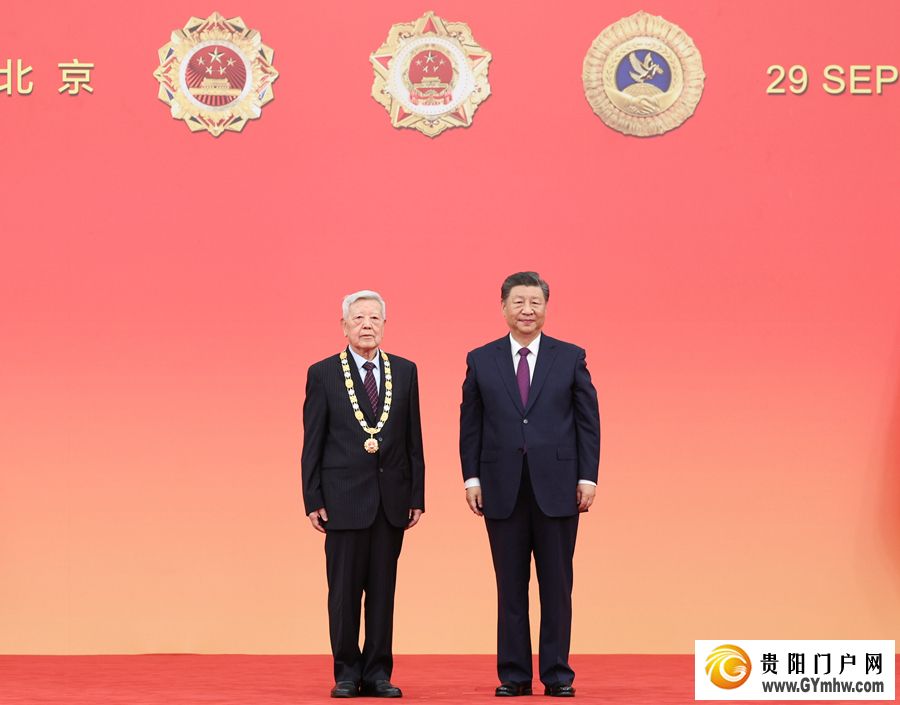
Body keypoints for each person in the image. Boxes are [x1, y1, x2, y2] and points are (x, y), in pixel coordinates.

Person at [459, 272, 600, 698]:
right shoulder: (481, 359)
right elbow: (471, 425)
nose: (527, 310)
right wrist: (472, 478)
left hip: (559, 488)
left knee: (557, 586)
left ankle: (557, 675)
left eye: (535, 302)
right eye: (518, 302)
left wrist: (587, 477)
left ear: (545, 308)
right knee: (510, 586)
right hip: (501, 488)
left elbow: (587, 423)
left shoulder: (570, 357)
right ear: (503, 307)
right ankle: (514, 675)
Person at [302, 290, 425, 698]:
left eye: (374, 318)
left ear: (385, 325)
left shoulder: (405, 371)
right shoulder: (323, 373)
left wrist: (416, 495)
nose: (367, 325)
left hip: (391, 501)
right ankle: (345, 672)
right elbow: (313, 441)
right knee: (343, 593)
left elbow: (413, 438)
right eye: (358, 318)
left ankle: (377, 673)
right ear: (344, 326)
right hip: (341, 500)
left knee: (383, 593)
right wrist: (313, 497)